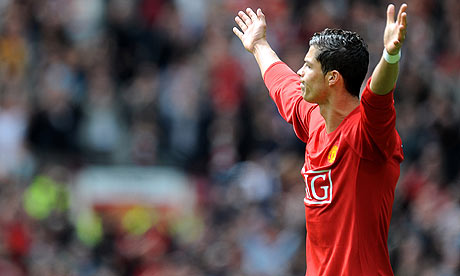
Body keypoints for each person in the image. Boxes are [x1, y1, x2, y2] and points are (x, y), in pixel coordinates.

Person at [233, 3, 407, 276]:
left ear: (333, 78)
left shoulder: (366, 134)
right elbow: (282, 83)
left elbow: (379, 96)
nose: (299, 72)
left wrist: (391, 55)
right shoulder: (315, 118)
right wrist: (258, 45)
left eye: (307, 65)